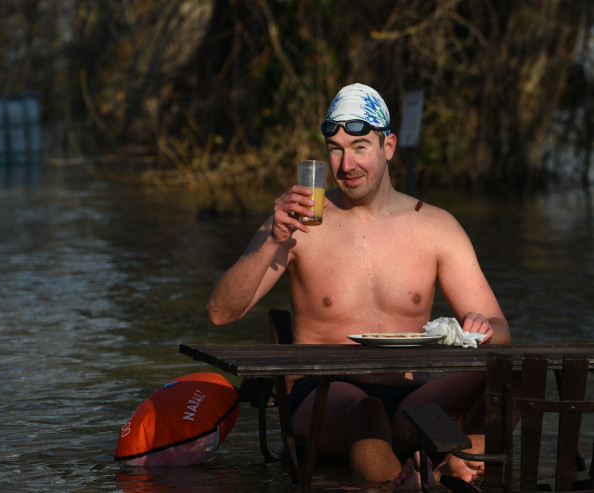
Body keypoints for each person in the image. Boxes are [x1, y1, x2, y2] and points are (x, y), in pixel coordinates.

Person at [206, 82, 511, 486]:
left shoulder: (437, 227)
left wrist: (482, 328)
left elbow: (501, 329)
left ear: (388, 146)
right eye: (335, 149)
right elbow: (220, 313)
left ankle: (448, 462)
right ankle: (423, 474)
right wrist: (271, 243)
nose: (345, 163)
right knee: (366, 414)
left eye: (360, 146)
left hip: (409, 399)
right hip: (322, 395)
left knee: (507, 375)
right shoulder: (299, 221)